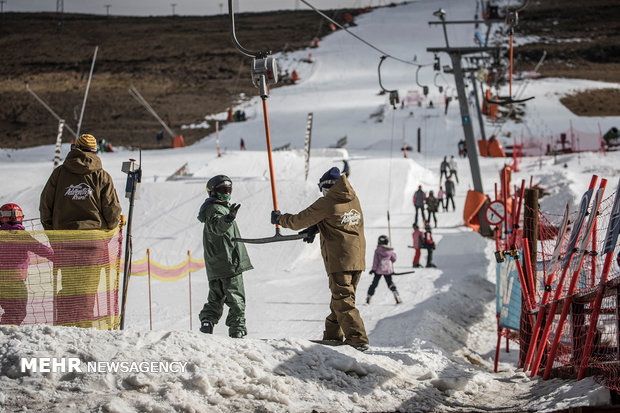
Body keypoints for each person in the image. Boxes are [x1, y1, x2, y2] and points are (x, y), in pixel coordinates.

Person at [271, 166, 369, 351]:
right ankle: (333, 336)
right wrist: (316, 228)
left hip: (340, 259)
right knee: (340, 300)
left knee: (343, 301)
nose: (323, 194)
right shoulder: (353, 198)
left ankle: (358, 340)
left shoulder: (327, 201)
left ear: (328, 188)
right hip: (357, 258)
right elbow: (338, 217)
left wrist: (280, 219)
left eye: (323, 190)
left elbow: (299, 220)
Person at [39, 133, 122, 328]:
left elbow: (45, 206)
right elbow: (112, 210)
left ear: (74, 149)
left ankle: (64, 327)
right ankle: (83, 329)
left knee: (69, 285)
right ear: (94, 151)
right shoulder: (102, 176)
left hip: (66, 240)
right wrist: (107, 230)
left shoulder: (59, 174)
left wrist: (53, 234)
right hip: (92, 242)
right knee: (88, 288)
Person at [198, 175, 253, 338]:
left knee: (216, 298)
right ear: (213, 192)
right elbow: (218, 227)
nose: (227, 194)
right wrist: (228, 218)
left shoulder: (212, 209)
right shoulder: (216, 209)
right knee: (236, 299)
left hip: (216, 265)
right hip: (229, 263)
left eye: (229, 190)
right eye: (223, 190)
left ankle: (207, 322)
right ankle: (237, 330)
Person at [0, 204, 54, 325]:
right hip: (15, 281)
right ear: (19, 217)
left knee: (9, 310)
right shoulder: (22, 235)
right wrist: (58, 257)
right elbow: (40, 248)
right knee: (17, 312)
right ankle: (7, 333)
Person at [366, 235, 401, 305]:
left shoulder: (377, 250)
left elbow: (375, 261)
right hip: (387, 271)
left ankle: (369, 296)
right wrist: (393, 253)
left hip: (378, 270)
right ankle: (396, 295)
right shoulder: (389, 251)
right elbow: (394, 259)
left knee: (374, 284)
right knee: (390, 283)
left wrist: (373, 269)